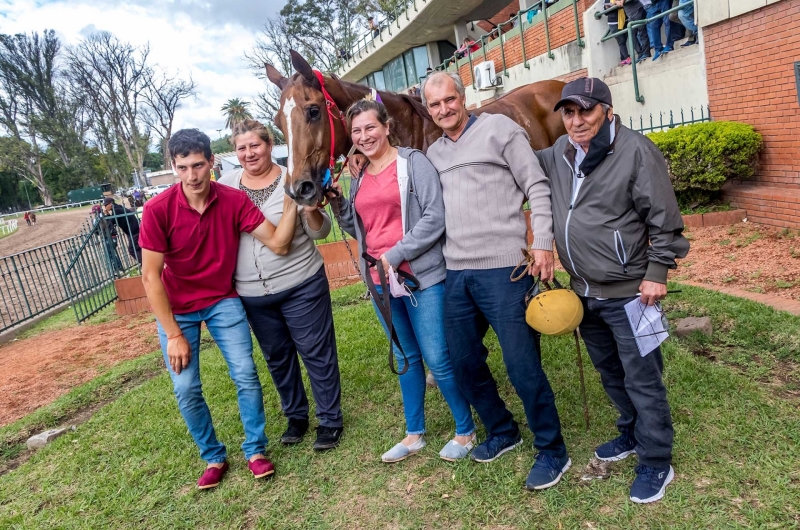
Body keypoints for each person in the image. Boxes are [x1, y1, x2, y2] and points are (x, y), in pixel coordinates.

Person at [535, 77, 690, 504]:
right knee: (611, 373)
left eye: (585, 110)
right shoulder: (558, 154)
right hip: (584, 293)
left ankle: (657, 458)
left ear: (605, 109)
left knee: (643, 378)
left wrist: (657, 271)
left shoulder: (636, 151)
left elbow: (664, 219)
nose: (576, 120)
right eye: (568, 112)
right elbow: (508, 162)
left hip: (632, 293)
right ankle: (631, 434)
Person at [420, 72, 570, 491]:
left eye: (450, 100)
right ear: (428, 110)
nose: (444, 109)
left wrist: (542, 242)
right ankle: (502, 430)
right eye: (435, 105)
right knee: (463, 363)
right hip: (457, 272)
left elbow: (536, 186)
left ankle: (552, 449)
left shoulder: (500, 130)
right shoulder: (433, 152)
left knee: (523, 366)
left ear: (463, 97)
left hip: (506, 269)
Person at [139, 128, 298, 490]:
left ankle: (255, 452)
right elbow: (150, 277)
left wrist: (293, 202)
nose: (192, 175)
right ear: (173, 167)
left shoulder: (232, 199)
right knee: (186, 387)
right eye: (183, 168)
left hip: (222, 300)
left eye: (198, 165)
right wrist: (174, 335)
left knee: (245, 373)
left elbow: (277, 241)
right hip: (177, 311)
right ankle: (213, 457)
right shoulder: (157, 209)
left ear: (212, 162)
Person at [333, 99, 477, 463]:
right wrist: (338, 204)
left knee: (437, 358)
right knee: (404, 355)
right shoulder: (359, 175)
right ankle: (414, 434)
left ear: (385, 126)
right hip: (380, 281)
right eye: (356, 131)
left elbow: (434, 217)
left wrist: (395, 255)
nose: (364, 136)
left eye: (370, 127)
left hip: (419, 277)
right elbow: (359, 227)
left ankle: (465, 430)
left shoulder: (413, 162)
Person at [219, 119, 344, 451]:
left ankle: (330, 420)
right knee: (278, 357)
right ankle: (296, 416)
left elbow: (319, 232)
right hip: (252, 292)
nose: (249, 153)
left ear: (270, 145)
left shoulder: (293, 177)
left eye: (255, 145)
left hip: (300, 281)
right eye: (242, 148)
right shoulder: (226, 185)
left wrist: (311, 210)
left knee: (316, 352)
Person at [103, 197, 143, 265]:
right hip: (132, 230)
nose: (105, 207)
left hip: (133, 231)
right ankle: (145, 263)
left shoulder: (116, 210)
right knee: (138, 248)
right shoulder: (118, 209)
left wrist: (107, 214)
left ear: (110, 204)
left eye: (105, 205)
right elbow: (113, 221)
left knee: (132, 250)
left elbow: (111, 222)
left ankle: (145, 264)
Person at [605, 1, 630, 65]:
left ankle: (623, 58)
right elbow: (606, 11)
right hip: (614, 23)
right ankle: (627, 58)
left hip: (624, 20)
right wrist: (615, 4)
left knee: (624, 40)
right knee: (621, 41)